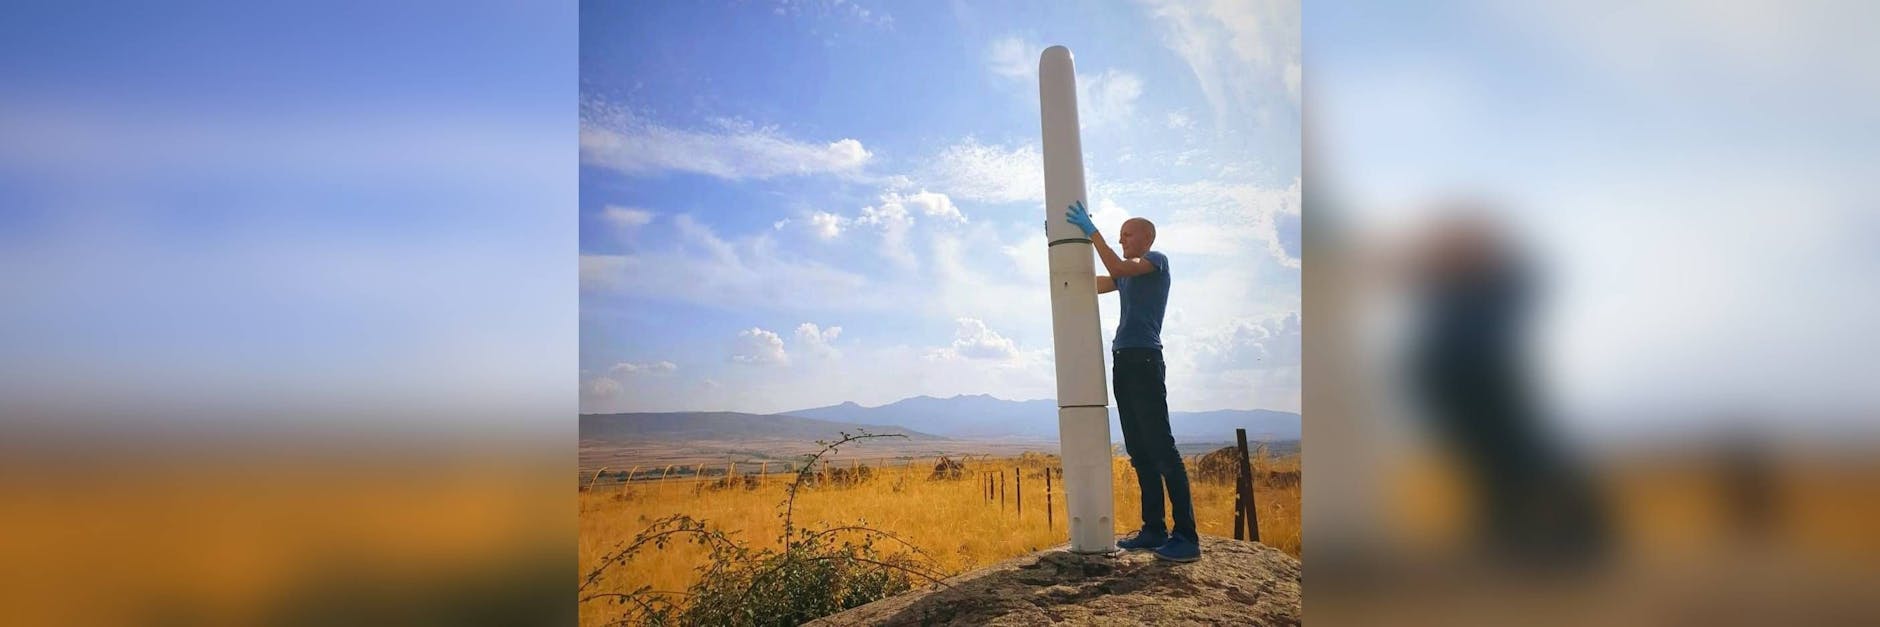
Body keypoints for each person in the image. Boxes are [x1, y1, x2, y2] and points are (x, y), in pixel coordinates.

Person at [1064, 200, 1199, 562]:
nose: (1122, 239)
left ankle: (1187, 536)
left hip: (1145, 359)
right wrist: (1064, 245)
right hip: (1123, 360)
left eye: (1128, 234)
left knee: (1161, 448)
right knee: (1139, 450)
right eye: (1119, 235)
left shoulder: (1156, 261)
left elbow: (1117, 265)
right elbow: (1088, 284)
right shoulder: (1125, 275)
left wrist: (1091, 232)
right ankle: (1154, 529)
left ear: (1147, 238)